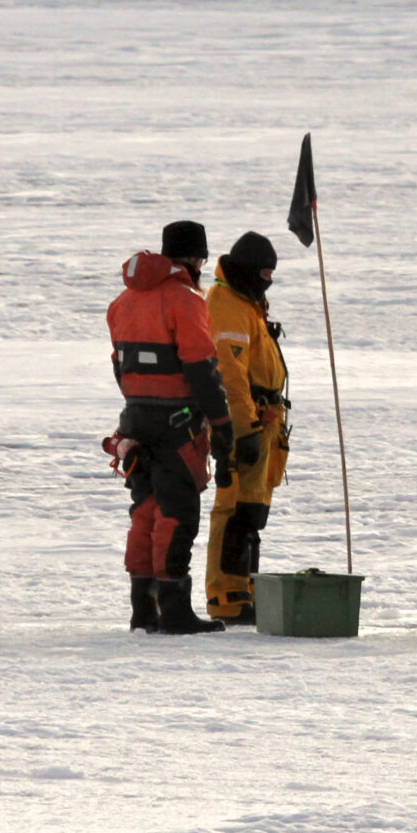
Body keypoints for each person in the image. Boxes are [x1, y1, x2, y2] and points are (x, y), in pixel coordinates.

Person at [108, 220, 233, 634]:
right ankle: (175, 610)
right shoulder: (186, 300)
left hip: (134, 418)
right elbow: (202, 370)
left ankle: (144, 610)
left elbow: (119, 366)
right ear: (198, 258)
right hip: (177, 422)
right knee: (177, 513)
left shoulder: (123, 301)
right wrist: (221, 424)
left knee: (145, 511)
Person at [205, 230, 290, 623]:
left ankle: (245, 586)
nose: (266, 283)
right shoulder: (227, 305)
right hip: (248, 420)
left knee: (253, 512)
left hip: (267, 420)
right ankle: (227, 596)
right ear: (247, 272)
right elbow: (231, 376)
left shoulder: (248, 301)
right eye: (263, 275)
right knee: (234, 508)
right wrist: (245, 430)